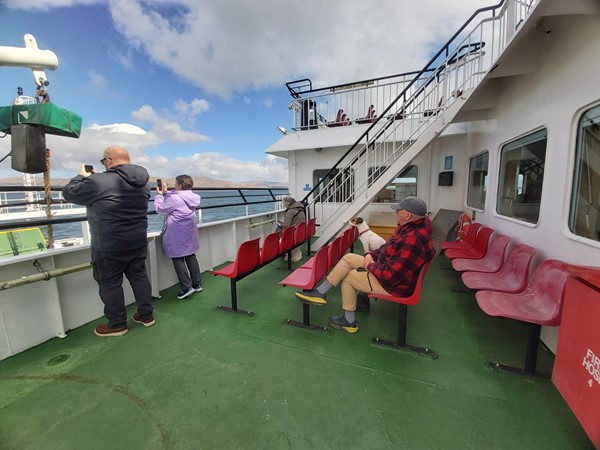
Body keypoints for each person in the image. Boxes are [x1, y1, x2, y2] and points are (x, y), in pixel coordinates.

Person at [295, 196, 435, 333]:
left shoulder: (412, 239)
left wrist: (369, 266)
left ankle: (349, 322)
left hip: (395, 286)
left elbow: (390, 275)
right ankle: (321, 293)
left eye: (398, 210)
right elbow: (386, 250)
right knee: (349, 258)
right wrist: (370, 255)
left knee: (350, 277)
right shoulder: (411, 230)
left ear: (407, 215)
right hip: (390, 270)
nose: (396, 212)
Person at [62, 146, 154, 337]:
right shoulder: (144, 183)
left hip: (108, 245)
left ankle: (117, 324)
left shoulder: (98, 181)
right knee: (139, 277)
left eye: (104, 162)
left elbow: (70, 193)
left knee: (110, 283)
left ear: (109, 160)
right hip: (137, 240)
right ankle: (146, 316)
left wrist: (81, 177)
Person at [154, 175, 202, 299]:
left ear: (180, 185)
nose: (174, 186)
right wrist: (166, 192)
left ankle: (186, 287)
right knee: (191, 256)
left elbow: (160, 209)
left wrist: (159, 195)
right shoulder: (193, 197)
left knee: (178, 259)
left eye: (175, 184)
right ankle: (197, 284)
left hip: (176, 233)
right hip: (189, 232)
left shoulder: (175, 199)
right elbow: (178, 198)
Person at [276, 196, 306, 262]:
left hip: (294, 233)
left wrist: (280, 232)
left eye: (284, 203)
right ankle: (294, 254)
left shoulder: (290, 211)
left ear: (288, 203)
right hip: (300, 232)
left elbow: (286, 226)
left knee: (277, 234)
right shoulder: (300, 209)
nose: (284, 205)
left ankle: (283, 253)